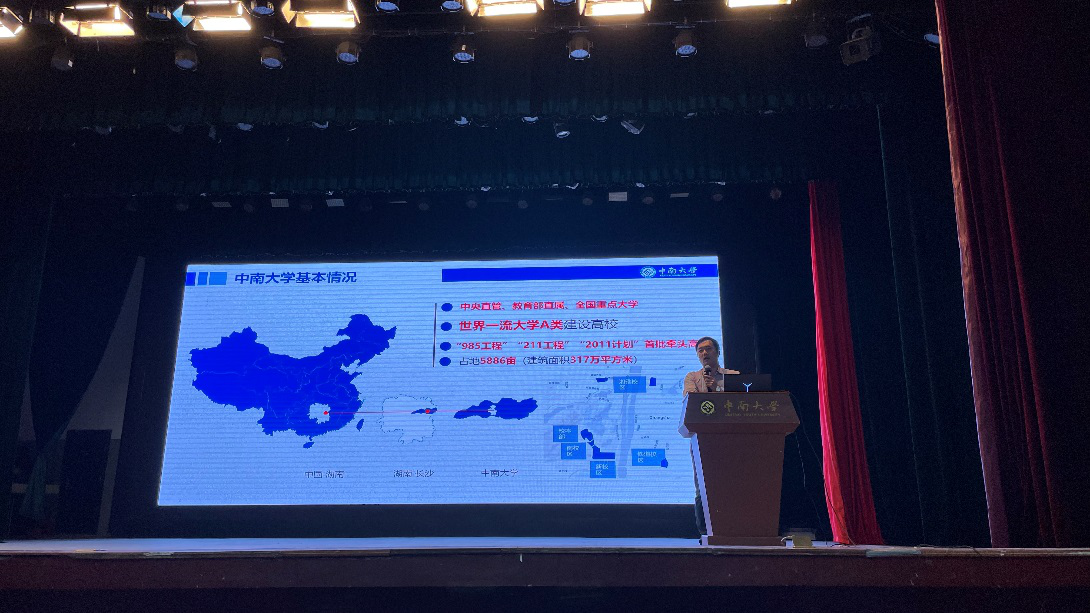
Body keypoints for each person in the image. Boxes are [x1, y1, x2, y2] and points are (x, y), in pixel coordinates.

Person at [683, 336, 739, 535]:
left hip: (731, 438)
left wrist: (717, 389)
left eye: (708, 349)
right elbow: (691, 402)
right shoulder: (692, 377)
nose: (704, 353)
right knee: (703, 485)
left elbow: (739, 404)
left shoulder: (733, 376)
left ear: (718, 352)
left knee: (732, 481)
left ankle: (734, 528)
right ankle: (705, 532)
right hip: (702, 439)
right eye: (700, 350)